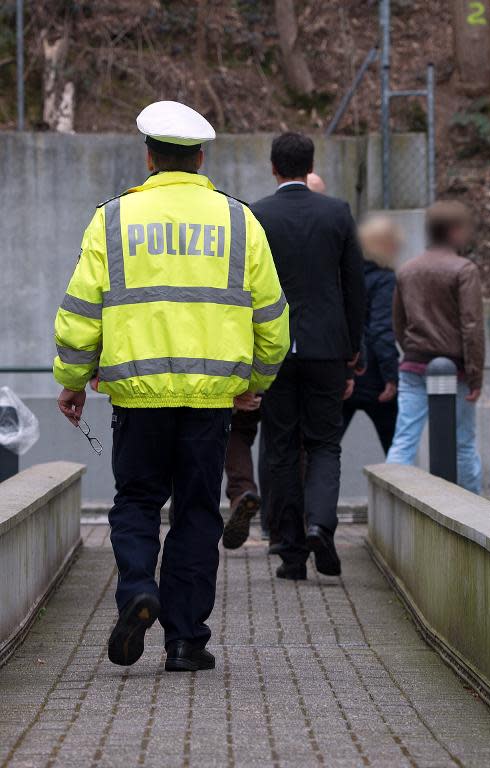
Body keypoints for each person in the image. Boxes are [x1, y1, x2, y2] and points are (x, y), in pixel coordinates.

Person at [53, 101, 289, 672]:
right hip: (210, 401)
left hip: (136, 398)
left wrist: (73, 380)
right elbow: (273, 321)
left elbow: (82, 312)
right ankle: (186, 641)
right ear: (201, 157)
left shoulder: (111, 220)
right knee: (197, 512)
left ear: (149, 157)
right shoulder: (239, 221)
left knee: (135, 501)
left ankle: (139, 589)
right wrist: (252, 383)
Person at [254, 133, 366, 580]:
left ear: (274, 167)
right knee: (323, 444)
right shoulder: (336, 213)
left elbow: (247, 290)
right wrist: (353, 348)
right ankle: (321, 523)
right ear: (309, 165)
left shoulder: (258, 214)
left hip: (276, 349)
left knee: (280, 448)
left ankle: (292, 553)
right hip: (326, 348)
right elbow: (353, 285)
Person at [222, 171, 328, 550]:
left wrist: (249, 380)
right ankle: (285, 527)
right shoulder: (327, 225)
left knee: (238, 430)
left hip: (250, 353)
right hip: (294, 353)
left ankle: (242, 493)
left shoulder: (255, 227)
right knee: (288, 441)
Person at [387, 200, 484, 494]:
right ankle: (475, 512)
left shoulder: (407, 270)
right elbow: (472, 326)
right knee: (463, 443)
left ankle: (392, 508)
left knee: (404, 439)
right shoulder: (464, 270)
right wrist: (475, 375)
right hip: (455, 369)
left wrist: (412, 349)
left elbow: (398, 322)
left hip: (413, 365)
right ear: (455, 231)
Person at [340, 215, 401, 454]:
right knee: (397, 449)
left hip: (346, 370)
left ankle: (311, 491)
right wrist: (391, 376)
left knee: (324, 449)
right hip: (375, 374)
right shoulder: (385, 279)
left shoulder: (345, 273)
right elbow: (381, 329)